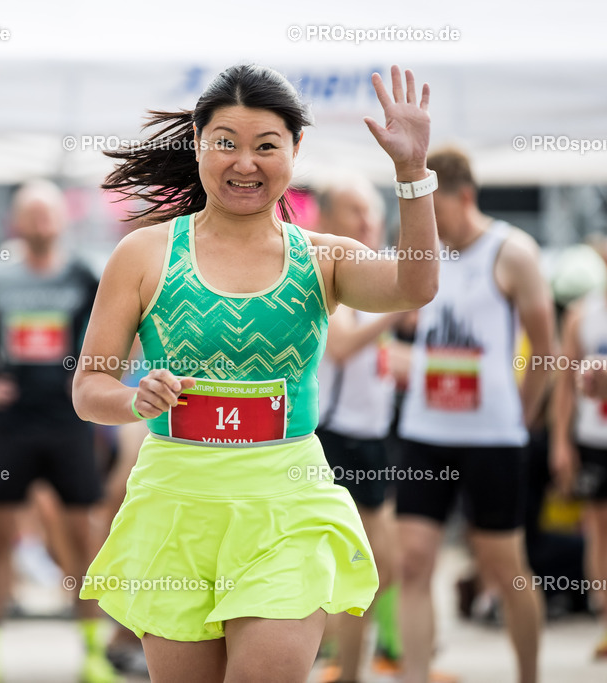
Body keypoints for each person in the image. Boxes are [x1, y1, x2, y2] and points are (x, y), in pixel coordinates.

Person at [73, 63, 438, 683]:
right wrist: (135, 398)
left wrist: (411, 172)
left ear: (296, 149)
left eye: (267, 146)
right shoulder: (143, 254)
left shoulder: (323, 258)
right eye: (226, 143)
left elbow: (415, 286)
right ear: (197, 144)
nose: (246, 163)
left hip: (287, 506)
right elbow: (89, 388)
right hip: (175, 509)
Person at [0, 180, 113, 683]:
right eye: (31, 213)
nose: (40, 222)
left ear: (62, 219)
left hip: (68, 422)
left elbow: (123, 328)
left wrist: (101, 379)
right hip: (12, 425)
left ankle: (93, 652)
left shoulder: (83, 276)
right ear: (15, 222)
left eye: (48, 212)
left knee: (81, 537)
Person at [396, 146, 554, 683]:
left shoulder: (513, 252)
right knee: (412, 561)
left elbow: (546, 348)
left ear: (465, 196)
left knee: (504, 569)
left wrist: (521, 416)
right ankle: (415, 675)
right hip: (425, 431)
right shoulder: (424, 252)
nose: (430, 223)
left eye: (436, 209)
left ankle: (528, 675)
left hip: (492, 436)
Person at [313, 175, 405, 683]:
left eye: (372, 211)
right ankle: (339, 663)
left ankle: (342, 660)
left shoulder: (374, 275)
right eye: (355, 211)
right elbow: (344, 347)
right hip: (338, 438)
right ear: (326, 218)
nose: (368, 222)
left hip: (374, 440)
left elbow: (382, 359)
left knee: (378, 568)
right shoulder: (327, 272)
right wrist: (401, 306)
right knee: (366, 565)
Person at [552, 271, 607, 657]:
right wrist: (561, 442)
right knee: (598, 530)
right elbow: (565, 385)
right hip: (593, 440)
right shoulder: (582, 314)